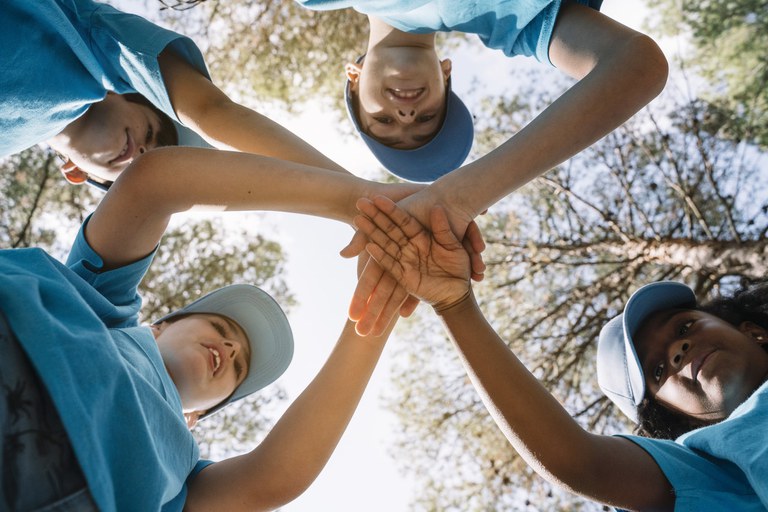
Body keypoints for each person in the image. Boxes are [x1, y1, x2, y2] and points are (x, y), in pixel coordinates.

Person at [0, 151, 402, 511]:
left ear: (197, 415)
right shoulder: (103, 307)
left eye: (239, 367)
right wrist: (363, 204)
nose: (230, 347)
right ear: (158, 327)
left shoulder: (185, 478)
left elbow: (272, 479)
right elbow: (155, 183)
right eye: (220, 326)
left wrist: (378, 307)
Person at [352, 195, 768, 510]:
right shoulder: (708, 466)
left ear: (751, 330)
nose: (677, 351)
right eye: (657, 370)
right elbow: (583, 464)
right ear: (678, 419)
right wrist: (455, 304)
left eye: (685, 327)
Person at [295, 0, 668, 334]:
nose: (407, 115)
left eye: (385, 123)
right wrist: (460, 197)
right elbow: (637, 65)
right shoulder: (508, 20)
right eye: (426, 119)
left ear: (354, 78)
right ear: (445, 73)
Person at [3, 0, 354, 191]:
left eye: (142, 167)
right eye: (153, 134)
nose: (141, 153)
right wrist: (360, 199)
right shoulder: (92, 48)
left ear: (76, 173)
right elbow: (211, 109)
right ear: (132, 93)